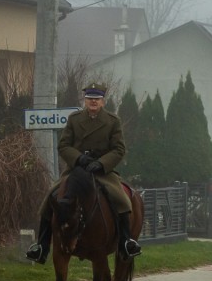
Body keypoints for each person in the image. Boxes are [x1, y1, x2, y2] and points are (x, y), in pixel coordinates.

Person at [26, 82, 141, 264]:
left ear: (103, 101)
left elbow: (119, 149)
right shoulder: (74, 119)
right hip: (76, 169)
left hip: (102, 171)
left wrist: (101, 163)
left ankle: (126, 242)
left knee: (122, 199)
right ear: (85, 101)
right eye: (89, 99)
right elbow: (63, 145)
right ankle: (41, 246)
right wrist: (79, 159)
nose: (93, 102)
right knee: (50, 197)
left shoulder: (113, 121)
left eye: (96, 99)